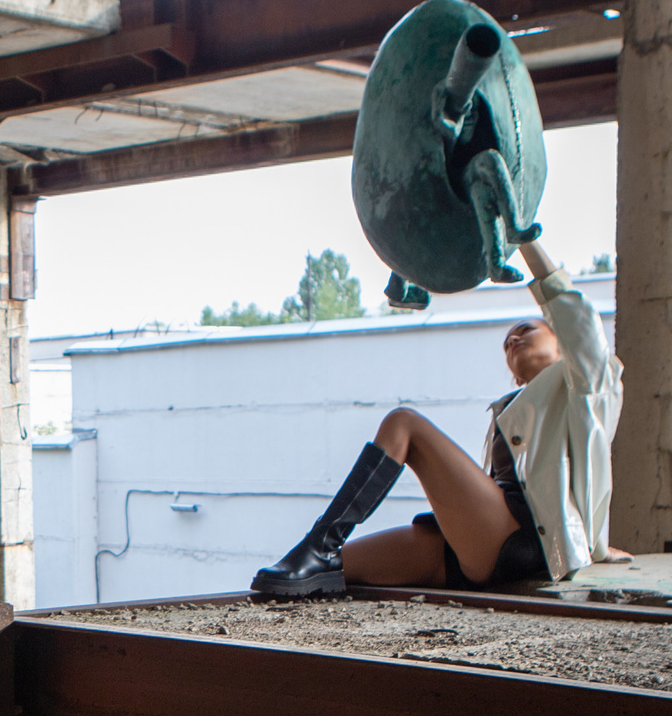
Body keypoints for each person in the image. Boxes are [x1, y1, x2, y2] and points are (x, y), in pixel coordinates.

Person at [252, 238, 630, 598]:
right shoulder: (511, 408)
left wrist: (525, 240)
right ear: (515, 377)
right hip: (474, 545)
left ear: (563, 343)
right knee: (333, 570)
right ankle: (321, 553)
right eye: (507, 343)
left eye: (526, 330)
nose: (513, 340)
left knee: (404, 423)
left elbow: (578, 321)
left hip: (522, 540)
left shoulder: (589, 386)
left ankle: (319, 544)